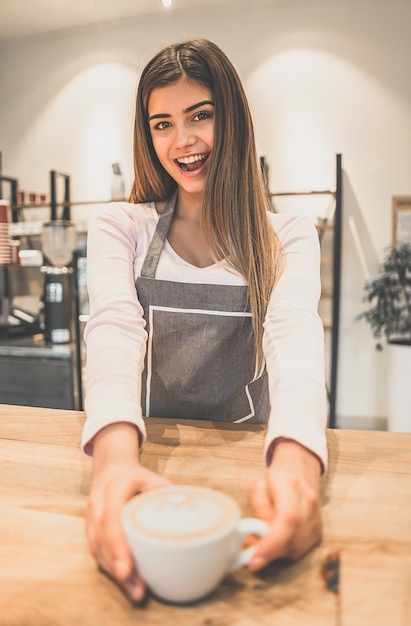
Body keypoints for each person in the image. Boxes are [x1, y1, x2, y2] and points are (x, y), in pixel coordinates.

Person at [82, 38, 328, 604]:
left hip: (249, 464)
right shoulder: (122, 226)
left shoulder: (285, 237)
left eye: (201, 115)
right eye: (162, 124)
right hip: (149, 461)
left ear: (233, 120)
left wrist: (295, 468)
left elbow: (294, 341)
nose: (183, 141)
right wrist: (113, 464)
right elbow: (115, 330)